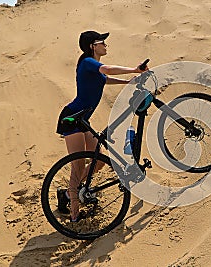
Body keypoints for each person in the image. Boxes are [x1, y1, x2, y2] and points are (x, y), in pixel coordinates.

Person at [55, 30, 148, 222]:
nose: (105, 45)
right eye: (101, 42)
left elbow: (105, 79)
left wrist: (128, 82)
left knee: (99, 161)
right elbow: (106, 70)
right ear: (92, 46)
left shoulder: (93, 68)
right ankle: (74, 216)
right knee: (78, 165)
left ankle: (68, 194)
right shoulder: (89, 63)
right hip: (72, 119)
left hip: (82, 120)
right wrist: (134, 70)